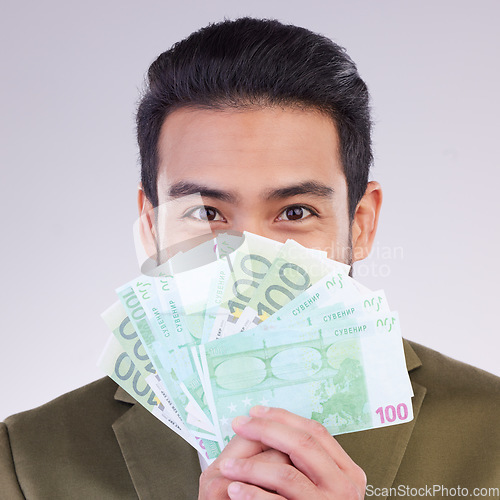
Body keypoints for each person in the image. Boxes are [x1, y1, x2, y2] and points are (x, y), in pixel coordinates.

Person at [1, 17, 499, 500]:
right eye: (205, 211)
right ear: (151, 228)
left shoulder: (491, 434)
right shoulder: (28, 461)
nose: (246, 259)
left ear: (362, 224)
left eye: (296, 211)